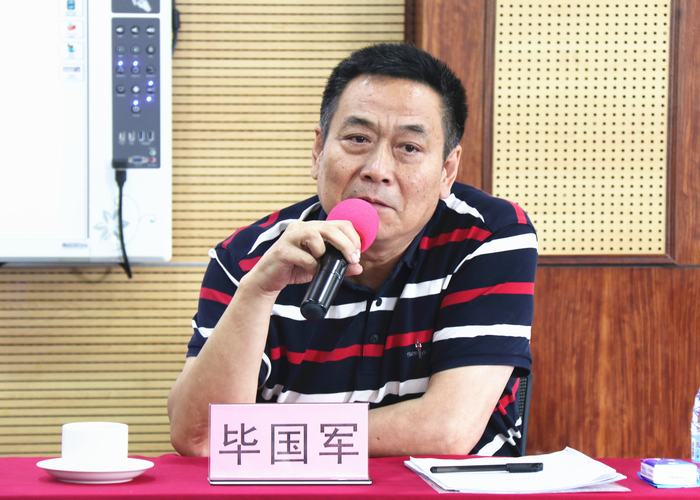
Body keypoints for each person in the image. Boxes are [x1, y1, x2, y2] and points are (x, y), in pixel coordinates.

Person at [168, 43, 538, 457]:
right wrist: (258, 293)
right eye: (358, 139)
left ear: (447, 170)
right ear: (318, 150)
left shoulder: (489, 236)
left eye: (409, 148)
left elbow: (447, 431)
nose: (377, 170)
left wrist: (259, 435)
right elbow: (201, 437)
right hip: (293, 488)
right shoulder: (245, 259)